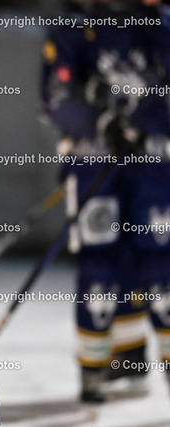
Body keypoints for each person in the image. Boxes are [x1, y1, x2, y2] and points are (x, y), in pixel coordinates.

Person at [41, 0, 170, 402]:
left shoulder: (158, 23)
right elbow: (56, 95)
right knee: (99, 264)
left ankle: (136, 358)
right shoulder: (75, 27)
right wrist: (99, 121)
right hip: (94, 166)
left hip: (153, 166)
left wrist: (149, 128)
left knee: (161, 263)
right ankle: (95, 367)